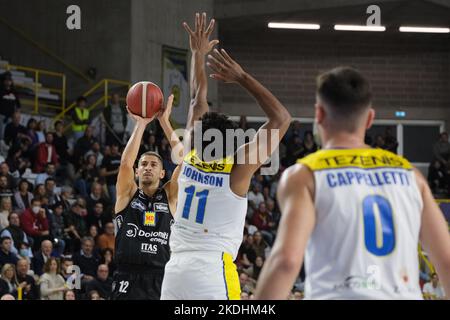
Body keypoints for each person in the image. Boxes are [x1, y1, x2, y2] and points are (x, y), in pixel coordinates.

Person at [255, 66, 450, 299]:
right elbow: (446, 260)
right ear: (369, 119)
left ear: (319, 114)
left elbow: (286, 261)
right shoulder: (411, 175)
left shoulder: (304, 175)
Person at [160, 13, 291, 300]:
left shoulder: (190, 155)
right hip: (212, 270)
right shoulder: (237, 169)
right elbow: (281, 117)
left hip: (175, 270)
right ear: (229, 143)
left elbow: (197, 98)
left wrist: (197, 54)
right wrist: (242, 77)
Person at [111, 94, 179, 300]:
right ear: (137, 172)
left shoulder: (170, 196)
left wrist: (164, 122)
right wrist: (140, 124)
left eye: (153, 165)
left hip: (160, 277)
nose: (148, 167)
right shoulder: (127, 194)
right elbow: (125, 164)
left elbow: (186, 163)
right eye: (143, 164)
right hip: (126, 276)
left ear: (162, 173)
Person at [0, 72, 21, 140]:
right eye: (6, 80)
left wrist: (17, 115)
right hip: (1, 115)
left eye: (10, 80)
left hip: (11, 117)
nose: (8, 82)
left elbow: (18, 105)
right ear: (3, 81)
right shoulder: (1, 90)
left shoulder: (14, 91)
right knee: (1, 134)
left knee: (10, 134)